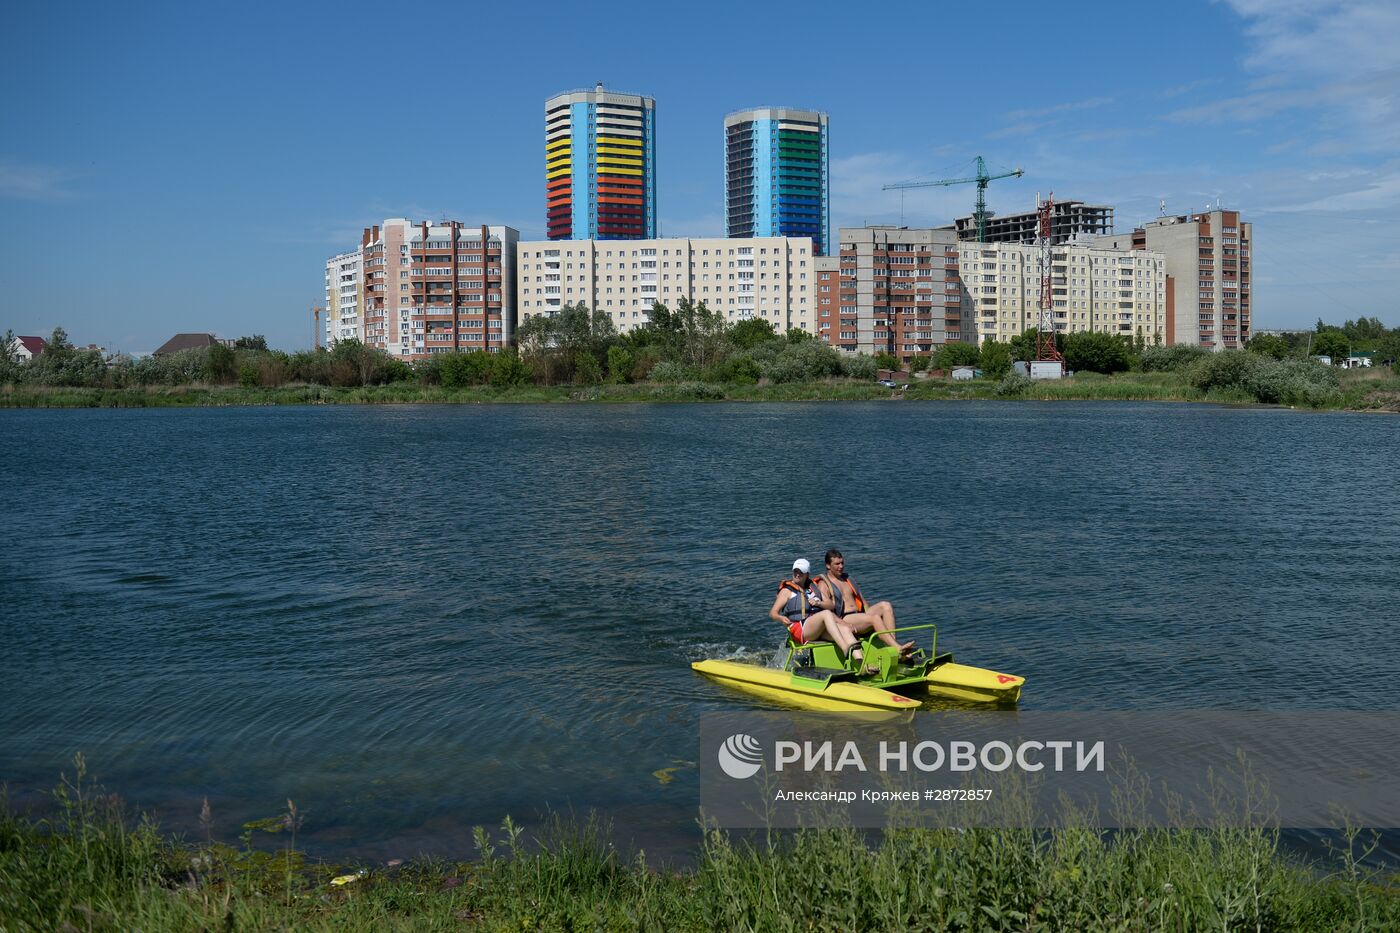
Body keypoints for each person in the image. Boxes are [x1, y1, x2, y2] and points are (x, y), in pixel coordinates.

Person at [813, 549, 914, 658]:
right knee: (874, 618)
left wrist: (867, 616)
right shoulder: (824, 584)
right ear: (828, 565)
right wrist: (845, 623)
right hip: (844, 618)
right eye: (837, 564)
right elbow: (826, 610)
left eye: (842, 563)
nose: (841, 566)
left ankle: (893, 646)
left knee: (886, 605)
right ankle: (897, 648)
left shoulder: (847, 579)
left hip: (859, 614)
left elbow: (863, 602)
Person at [769, 558, 863, 665]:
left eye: (801, 572)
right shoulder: (787, 591)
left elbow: (830, 605)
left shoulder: (812, 588)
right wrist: (780, 618)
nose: (797, 574)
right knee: (826, 614)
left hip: (815, 628)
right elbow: (773, 613)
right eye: (795, 571)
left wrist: (819, 603)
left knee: (845, 630)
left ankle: (862, 665)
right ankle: (844, 648)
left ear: (807, 574)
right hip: (800, 630)